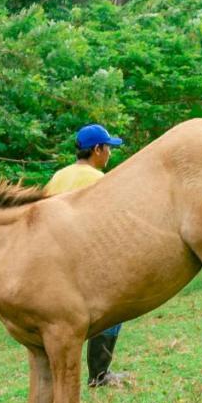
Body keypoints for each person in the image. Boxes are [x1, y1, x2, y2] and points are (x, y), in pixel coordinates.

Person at [45, 123, 126, 387]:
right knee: (111, 312)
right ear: (97, 149)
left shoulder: (58, 177)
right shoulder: (99, 181)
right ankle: (99, 375)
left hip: (55, 260)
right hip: (87, 257)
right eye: (108, 148)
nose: (110, 154)